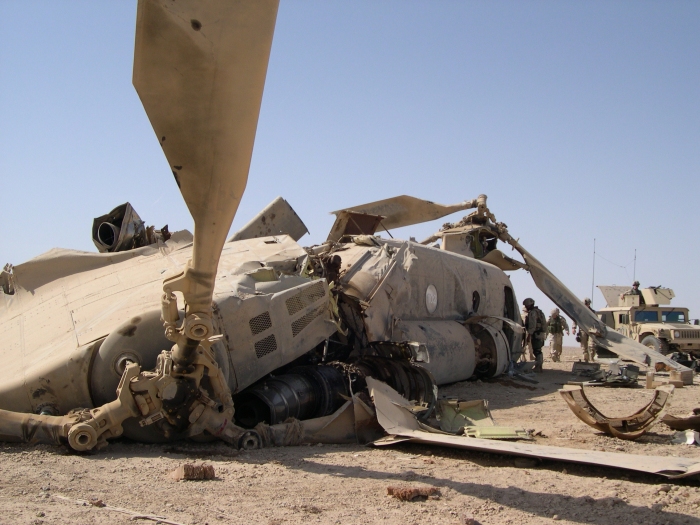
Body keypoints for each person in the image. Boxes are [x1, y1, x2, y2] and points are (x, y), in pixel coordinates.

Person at [523, 298, 547, 372]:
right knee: (538, 350)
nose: (526, 307)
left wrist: (529, 335)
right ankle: (539, 366)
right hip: (540, 333)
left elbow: (532, 325)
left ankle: (538, 366)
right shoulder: (539, 312)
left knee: (537, 351)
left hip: (536, 333)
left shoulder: (533, 313)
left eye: (527, 305)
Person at [573, 298, 597, 362]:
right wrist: (573, 328)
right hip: (582, 330)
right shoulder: (579, 312)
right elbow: (575, 320)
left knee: (592, 345)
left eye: (587, 304)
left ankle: (591, 358)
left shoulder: (593, 312)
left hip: (591, 330)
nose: (586, 305)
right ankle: (586, 359)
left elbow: (596, 321)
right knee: (584, 346)